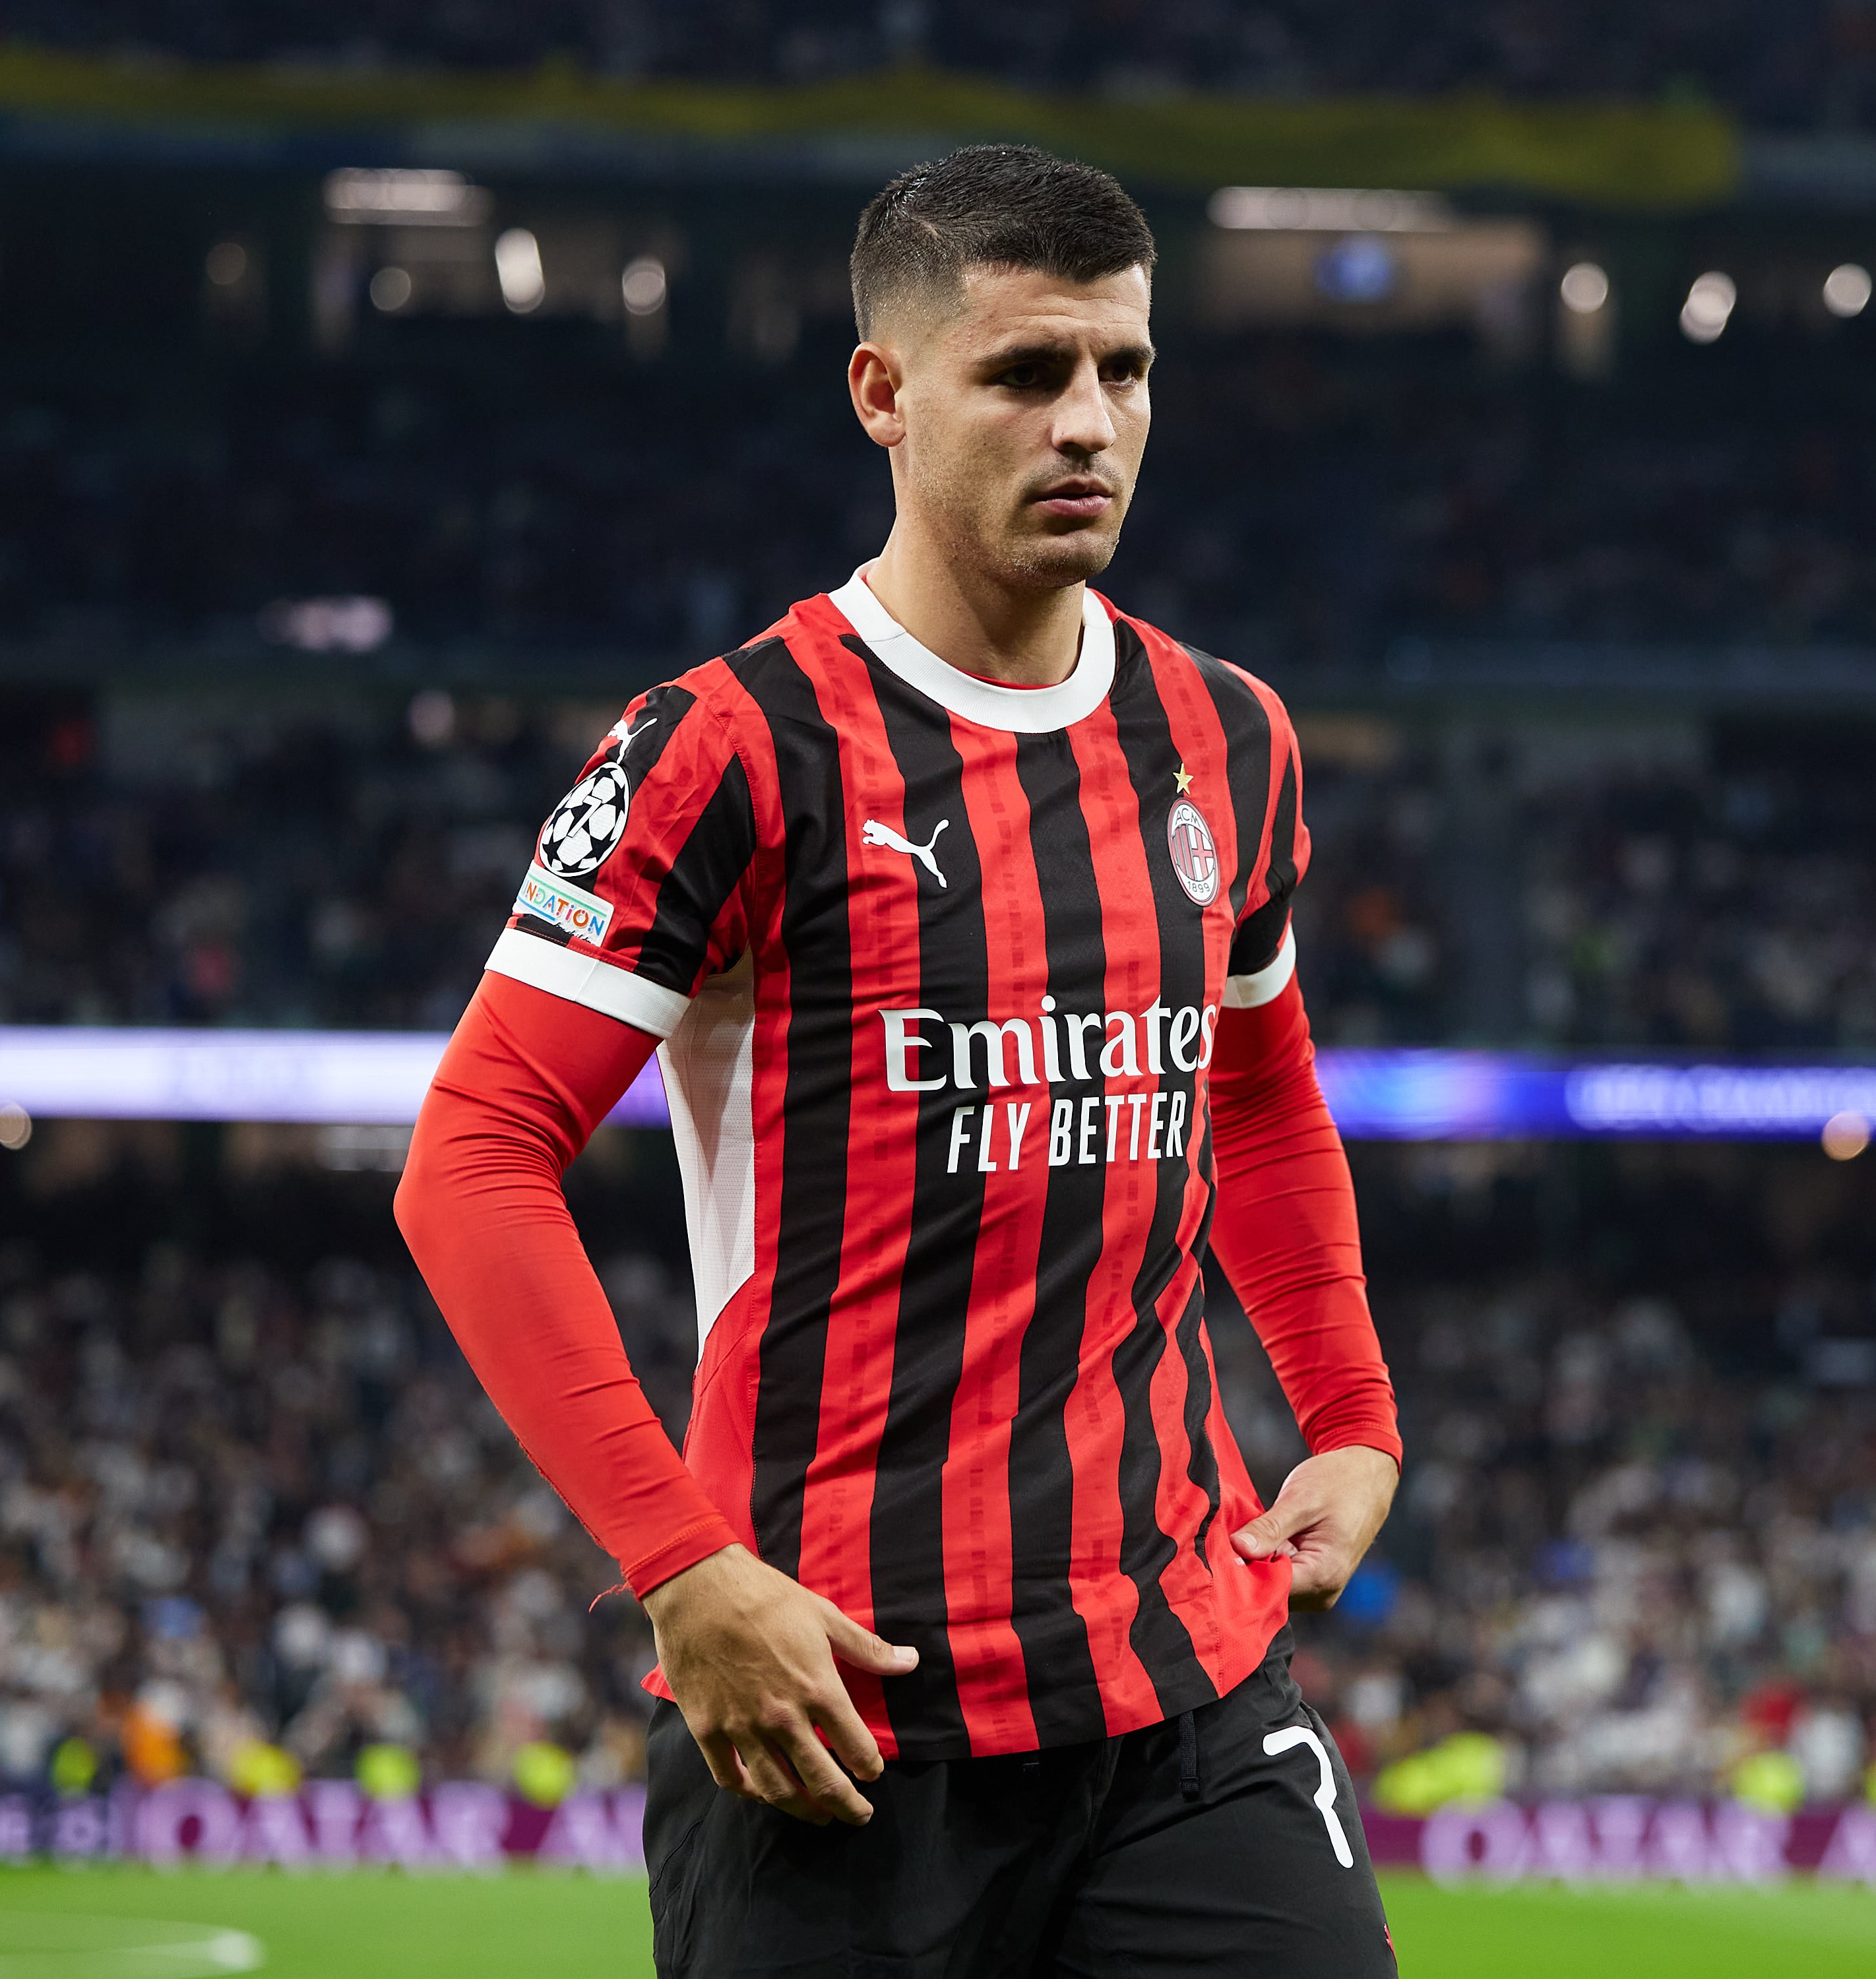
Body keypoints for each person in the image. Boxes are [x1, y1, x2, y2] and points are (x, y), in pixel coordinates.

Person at [394, 144, 1404, 1976]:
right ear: (884, 390)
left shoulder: (1227, 737)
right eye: (1026, 374)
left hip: (1184, 1686)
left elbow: (1250, 1093)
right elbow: (469, 1156)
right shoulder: (724, 748)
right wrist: (682, 1568)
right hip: (838, 1717)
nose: (1087, 423)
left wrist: (1344, 1411)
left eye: (1125, 370)